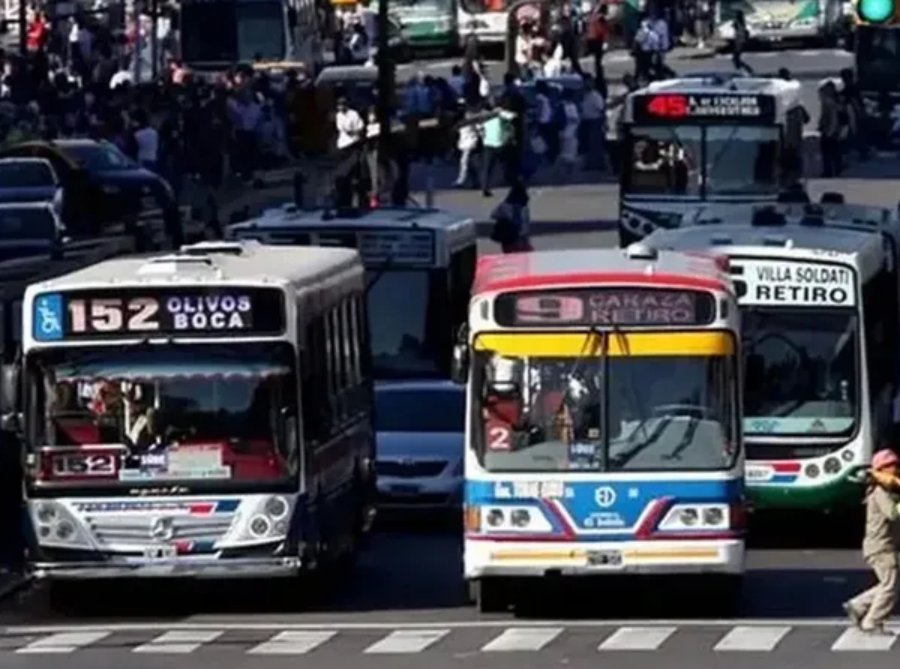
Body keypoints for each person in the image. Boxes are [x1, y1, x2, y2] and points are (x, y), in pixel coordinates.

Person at [843, 449, 900, 634]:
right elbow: (892, 513)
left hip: (883, 545)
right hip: (881, 546)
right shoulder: (880, 491)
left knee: (889, 583)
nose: (895, 469)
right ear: (881, 469)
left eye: (896, 465)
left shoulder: (886, 489)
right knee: (890, 586)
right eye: (890, 466)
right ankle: (872, 622)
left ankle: (858, 605)